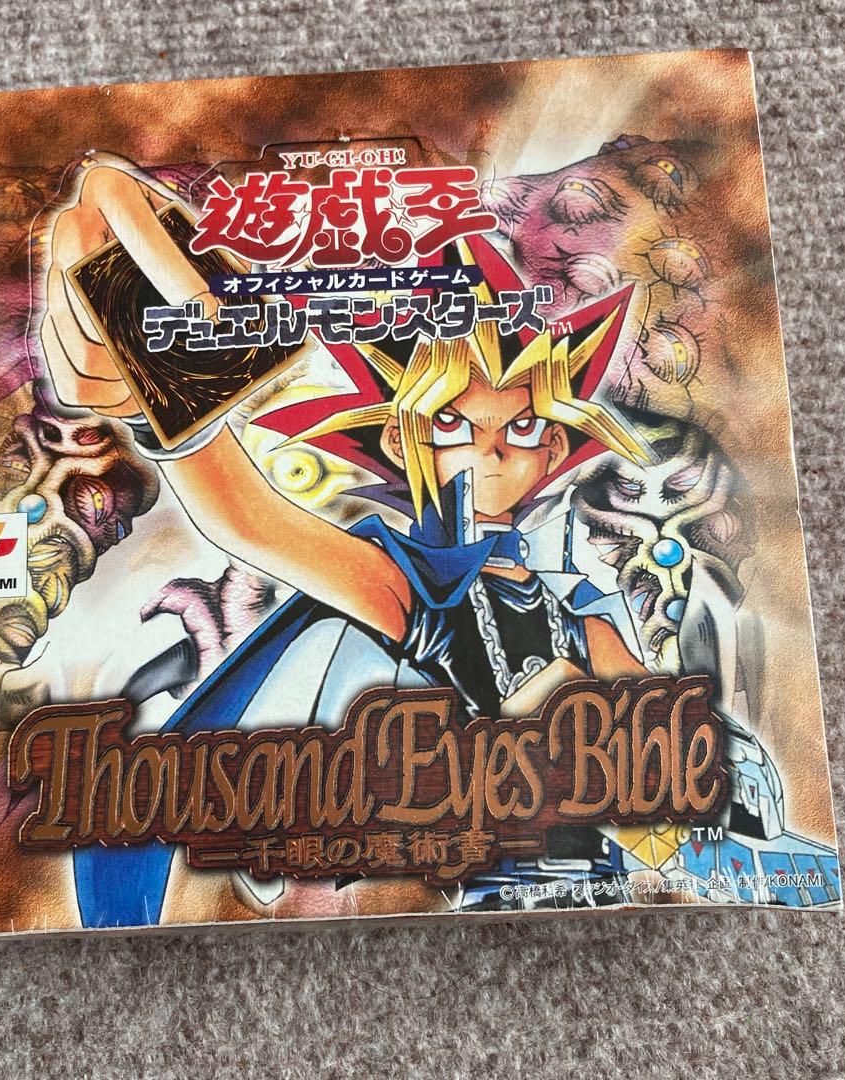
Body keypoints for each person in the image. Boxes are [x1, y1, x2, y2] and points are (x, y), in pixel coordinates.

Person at [41, 161, 653, 925]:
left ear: (556, 446)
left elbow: (681, 755)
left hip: (604, 893)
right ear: (404, 442)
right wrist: (156, 388)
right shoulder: (417, 592)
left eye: (523, 427)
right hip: (480, 893)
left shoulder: (586, 621)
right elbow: (249, 518)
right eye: (453, 422)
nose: (492, 450)